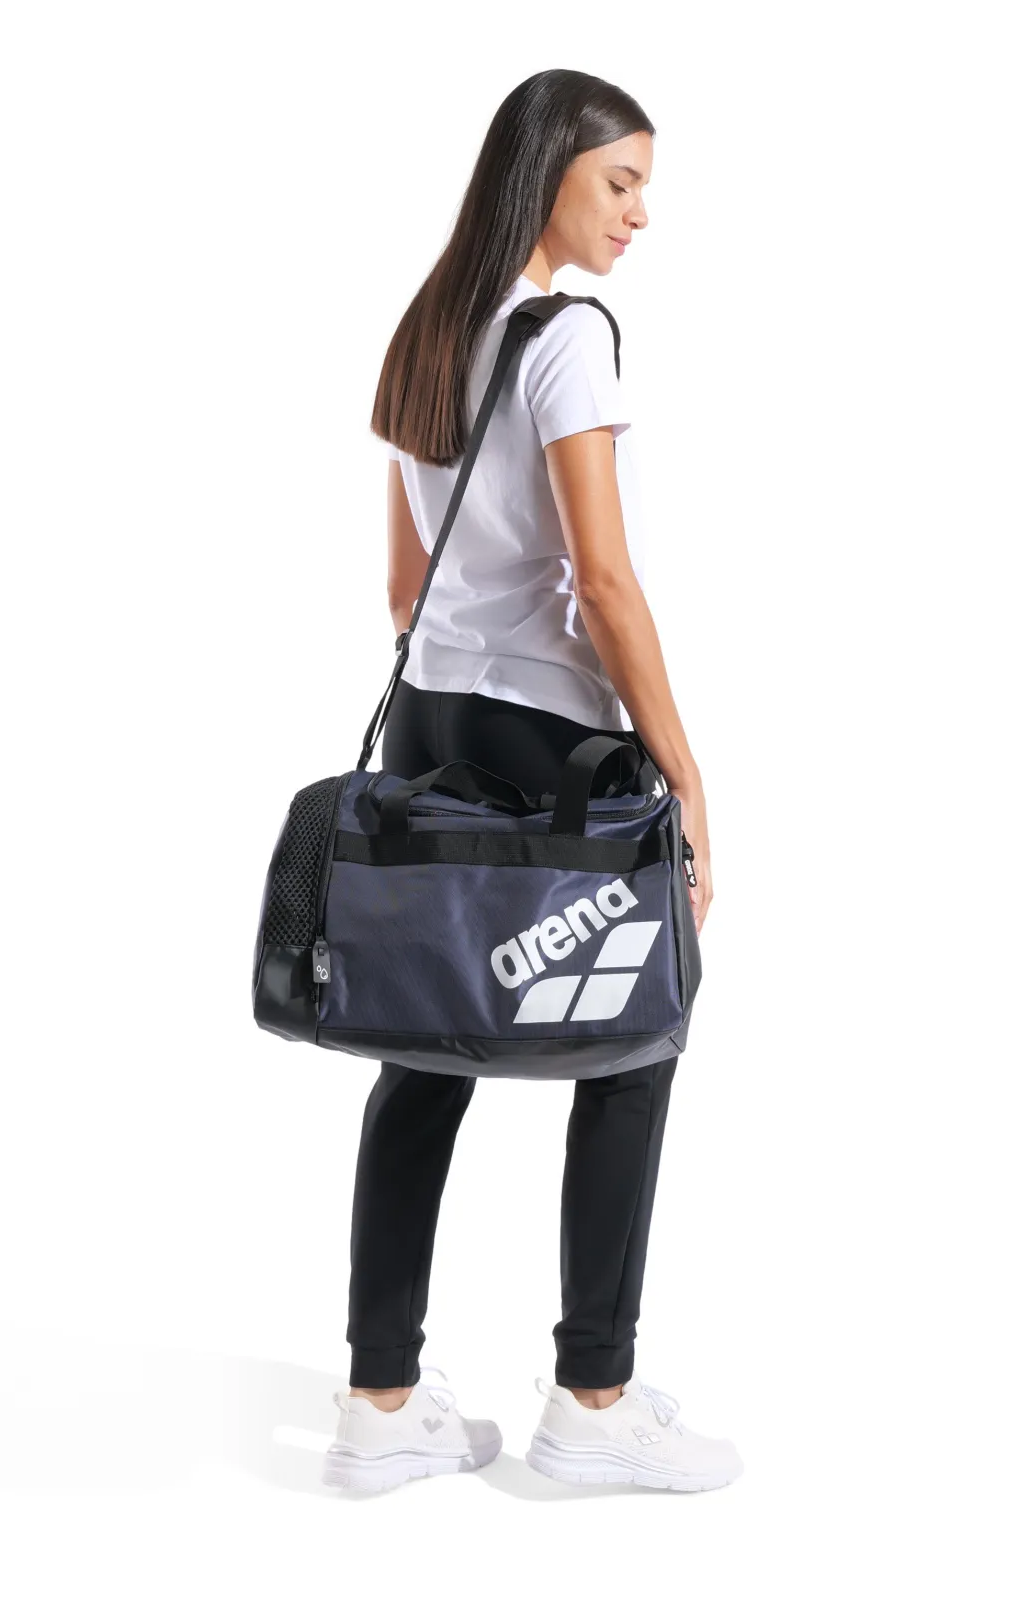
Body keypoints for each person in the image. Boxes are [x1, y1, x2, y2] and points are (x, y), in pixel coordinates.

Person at [320, 69, 741, 1495]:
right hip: (545, 738)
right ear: (548, 169)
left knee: (424, 1049)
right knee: (636, 1032)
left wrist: (459, 681)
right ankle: (594, 1403)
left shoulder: (428, 325)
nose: (639, 214)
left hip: (431, 717)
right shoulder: (568, 338)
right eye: (621, 182)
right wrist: (683, 770)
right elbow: (603, 582)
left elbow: (401, 586)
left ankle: (380, 1404)